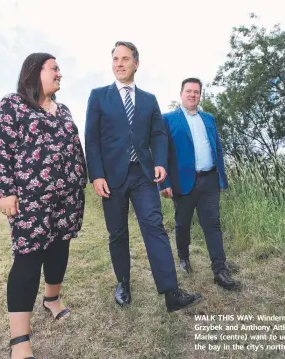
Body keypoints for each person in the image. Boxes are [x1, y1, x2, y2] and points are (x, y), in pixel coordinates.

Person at [84, 41, 203, 313]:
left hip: (142, 174)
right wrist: (96, 175)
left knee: (155, 227)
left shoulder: (149, 100)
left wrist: (160, 162)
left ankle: (171, 292)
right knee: (117, 233)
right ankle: (123, 282)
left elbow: (159, 134)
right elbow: (91, 140)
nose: (119, 63)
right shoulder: (98, 96)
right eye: (115, 58)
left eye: (125, 58)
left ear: (136, 63)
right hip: (111, 178)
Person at [0, 52, 87, 359]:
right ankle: (20, 341)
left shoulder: (65, 110)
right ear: (35, 71)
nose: (60, 73)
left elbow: (75, 150)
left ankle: (52, 299)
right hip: (31, 200)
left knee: (60, 249)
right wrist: (4, 190)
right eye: (54, 68)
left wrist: (83, 180)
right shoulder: (12, 105)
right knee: (28, 260)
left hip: (68, 197)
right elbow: (0, 148)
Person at [159, 77, 241, 291]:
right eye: (189, 91)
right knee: (182, 223)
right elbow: (161, 153)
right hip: (183, 182)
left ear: (200, 95)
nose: (192, 95)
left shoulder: (209, 119)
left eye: (196, 92)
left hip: (210, 179)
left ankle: (220, 270)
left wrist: (222, 178)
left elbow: (218, 149)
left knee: (212, 224)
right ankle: (184, 257)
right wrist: (164, 183)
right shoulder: (167, 119)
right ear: (181, 93)